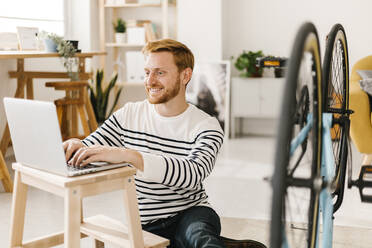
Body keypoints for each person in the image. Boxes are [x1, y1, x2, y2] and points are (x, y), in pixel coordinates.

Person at [63, 38, 226, 248]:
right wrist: (77, 144)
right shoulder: (129, 114)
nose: (150, 81)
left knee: (199, 237)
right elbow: (92, 147)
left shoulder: (206, 125)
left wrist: (130, 156)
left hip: (191, 213)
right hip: (147, 222)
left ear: (185, 75)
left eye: (160, 72)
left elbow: (193, 174)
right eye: (147, 72)